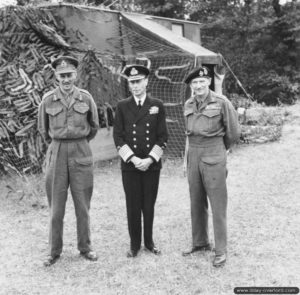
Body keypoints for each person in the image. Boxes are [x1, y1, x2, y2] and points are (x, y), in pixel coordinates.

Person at [38, 55, 99, 266]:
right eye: (61, 75)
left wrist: (79, 142)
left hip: (81, 150)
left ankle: (85, 247)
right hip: (57, 152)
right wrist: (58, 145)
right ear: (56, 76)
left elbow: (94, 126)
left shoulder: (86, 98)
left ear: (76, 74)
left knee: (82, 206)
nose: (66, 79)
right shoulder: (47, 100)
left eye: (69, 75)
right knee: (56, 207)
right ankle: (54, 251)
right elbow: (43, 130)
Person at [182, 66, 240, 267]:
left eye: (201, 81)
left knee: (217, 204)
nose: (198, 85)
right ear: (191, 86)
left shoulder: (221, 102)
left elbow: (233, 133)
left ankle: (221, 250)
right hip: (194, 155)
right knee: (196, 201)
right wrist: (187, 159)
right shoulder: (189, 103)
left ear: (208, 82)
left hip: (214, 153)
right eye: (194, 83)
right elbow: (188, 135)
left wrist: (219, 151)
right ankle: (200, 242)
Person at [113, 64, 168, 258]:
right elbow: (118, 137)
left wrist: (150, 159)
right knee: (133, 205)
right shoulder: (122, 106)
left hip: (151, 166)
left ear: (146, 81)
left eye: (138, 81)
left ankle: (149, 242)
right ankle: (134, 244)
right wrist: (134, 159)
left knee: (149, 205)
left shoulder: (157, 105)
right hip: (130, 165)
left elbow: (163, 137)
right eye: (131, 82)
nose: (135, 86)